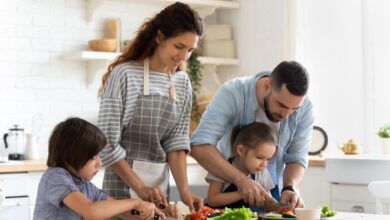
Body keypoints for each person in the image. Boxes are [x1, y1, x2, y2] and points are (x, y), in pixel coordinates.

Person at [97, 1, 204, 215]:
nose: (184, 57)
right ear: (159, 37)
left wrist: (184, 191)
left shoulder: (182, 83)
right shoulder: (124, 75)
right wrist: (139, 187)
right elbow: (107, 142)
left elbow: (176, 141)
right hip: (121, 192)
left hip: (159, 193)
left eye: (190, 50)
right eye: (179, 46)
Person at [191, 61, 314, 209]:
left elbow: (297, 157)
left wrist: (290, 187)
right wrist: (241, 180)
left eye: (294, 109)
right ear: (267, 85)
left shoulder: (305, 108)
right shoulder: (233, 93)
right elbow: (199, 145)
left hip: (274, 189)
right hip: (230, 180)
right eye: (281, 105)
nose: (287, 115)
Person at [33, 117, 165, 220]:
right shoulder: (56, 177)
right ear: (72, 155)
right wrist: (135, 203)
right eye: (92, 157)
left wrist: (157, 212)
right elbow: (91, 210)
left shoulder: (85, 186)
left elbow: (121, 211)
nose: (99, 163)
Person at [206, 122, 276, 209]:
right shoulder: (222, 168)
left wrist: (278, 206)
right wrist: (242, 193)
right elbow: (212, 200)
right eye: (259, 157)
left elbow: (268, 202)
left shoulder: (262, 173)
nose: (264, 164)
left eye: (268, 159)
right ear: (241, 150)